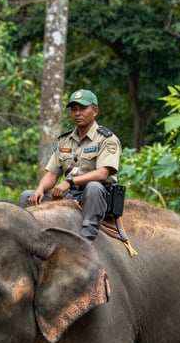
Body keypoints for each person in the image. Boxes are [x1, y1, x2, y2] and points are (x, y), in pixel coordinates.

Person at [18, 88, 121, 244]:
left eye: (82, 108)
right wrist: (40, 189)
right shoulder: (64, 140)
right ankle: (31, 242)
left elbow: (102, 174)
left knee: (94, 187)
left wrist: (70, 181)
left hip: (95, 197)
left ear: (95, 111)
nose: (77, 113)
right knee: (27, 196)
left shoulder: (106, 139)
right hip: (69, 196)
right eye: (74, 109)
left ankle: (86, 241)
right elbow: (52, 173)